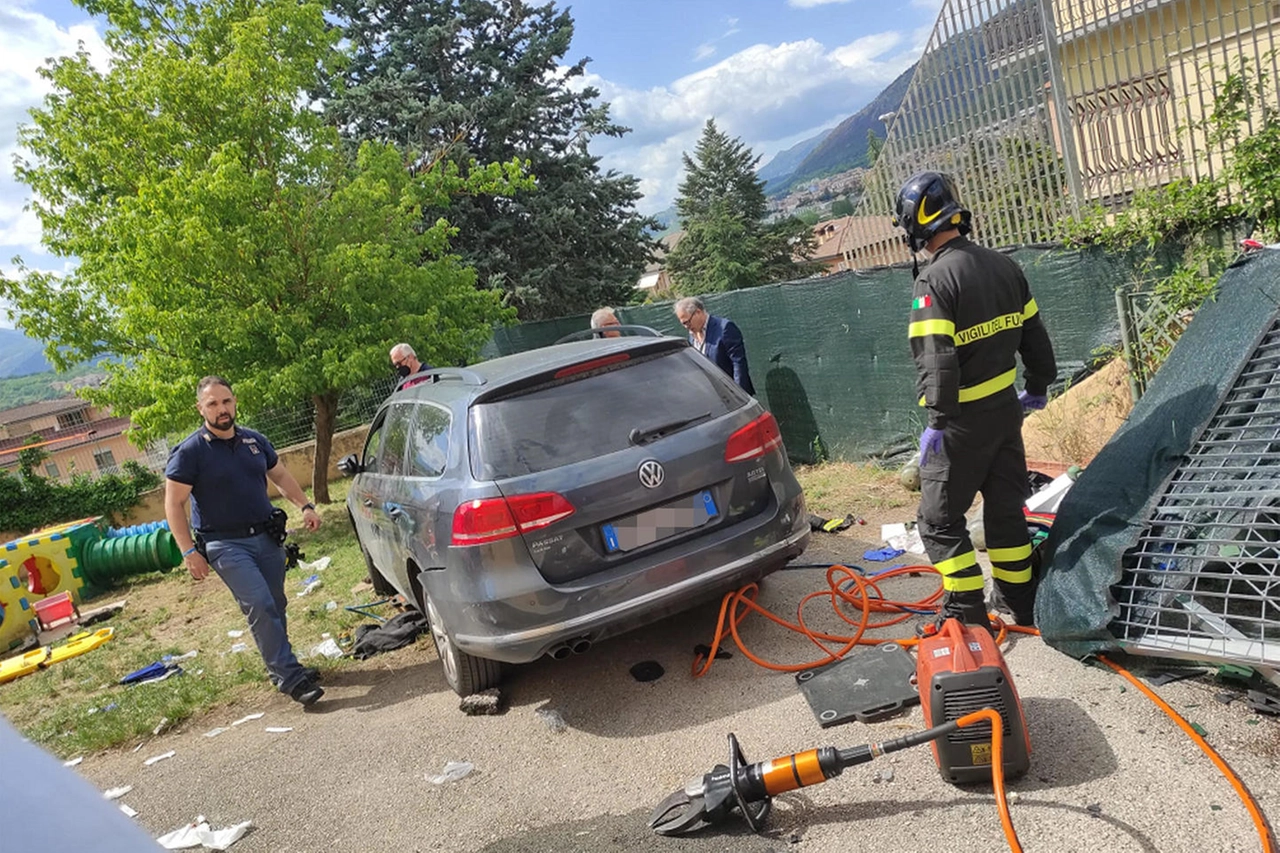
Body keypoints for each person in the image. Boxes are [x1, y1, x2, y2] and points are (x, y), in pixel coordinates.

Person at [893, 171, 1057, 630]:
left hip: (960, 422)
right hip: (1006, 413)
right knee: (1005, 513)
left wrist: (937, 423)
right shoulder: (1005, 266)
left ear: (913, 223)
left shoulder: (934, 281)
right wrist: (1039, 386)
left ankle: (966, 610)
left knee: (939, 521)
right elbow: (1035, 336)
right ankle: (1020, 602)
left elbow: (936, 359)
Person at [164, 376, 325, 706]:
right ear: (200, 409)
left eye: (226, 401)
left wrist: (305, 505)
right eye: (212, 404)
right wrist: (188, 551)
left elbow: (279, 475)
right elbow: (173, 503)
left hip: (265, 537)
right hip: (225, 545)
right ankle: (291, 678)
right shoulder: (191, 452)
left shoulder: (254, 440)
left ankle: (283, 666)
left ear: (234, 402)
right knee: (260, 604)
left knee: (276, 603)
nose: (221, 409)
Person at [674, 297, 755, 394]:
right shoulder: (692, 335)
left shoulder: (724, 328)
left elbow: (738, 363)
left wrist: (740, 394)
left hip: (732, 394)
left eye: (687, 322)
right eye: (683, 324)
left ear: (698, 312)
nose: (686, 327)